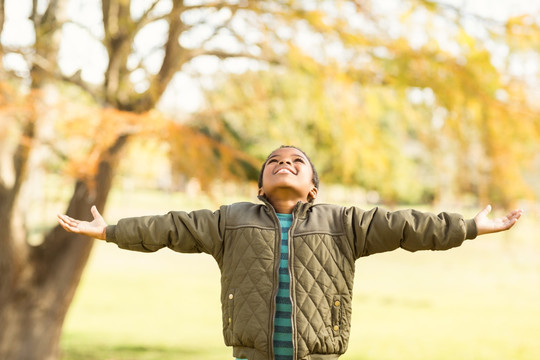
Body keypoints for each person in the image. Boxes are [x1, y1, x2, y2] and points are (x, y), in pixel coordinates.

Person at [57, 145, 522, 360]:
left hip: (318, 355)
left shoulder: (344, 224)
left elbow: (406, 227)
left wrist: (470, 227)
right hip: (252, 356)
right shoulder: (229, 220)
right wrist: (112, 231)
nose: (285, 163)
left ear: (313, 188)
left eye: (297, 162)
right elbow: (172, 227)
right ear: (260, 184)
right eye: (275, 161)